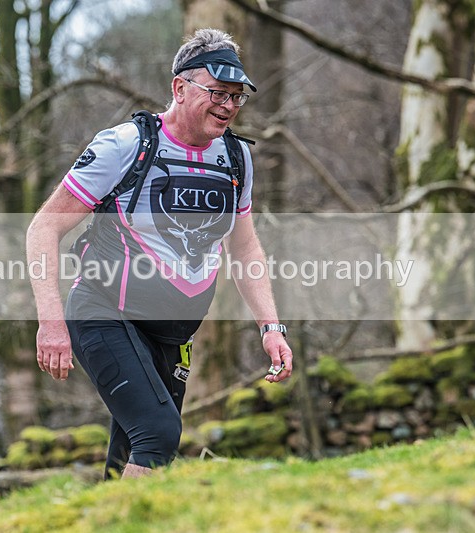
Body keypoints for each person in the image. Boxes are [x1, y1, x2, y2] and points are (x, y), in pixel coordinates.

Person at [26, 28, 293, 480]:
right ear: (180, 88)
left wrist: (270, 327)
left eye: (236, 97)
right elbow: (43, 227)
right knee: (159, 432)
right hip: (104, 311)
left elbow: (244, 246)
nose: (228, 106)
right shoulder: (126, 145)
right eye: (217, 93)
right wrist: (51, 323)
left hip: (173, 334)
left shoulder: (235, 159)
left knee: (132, 449)